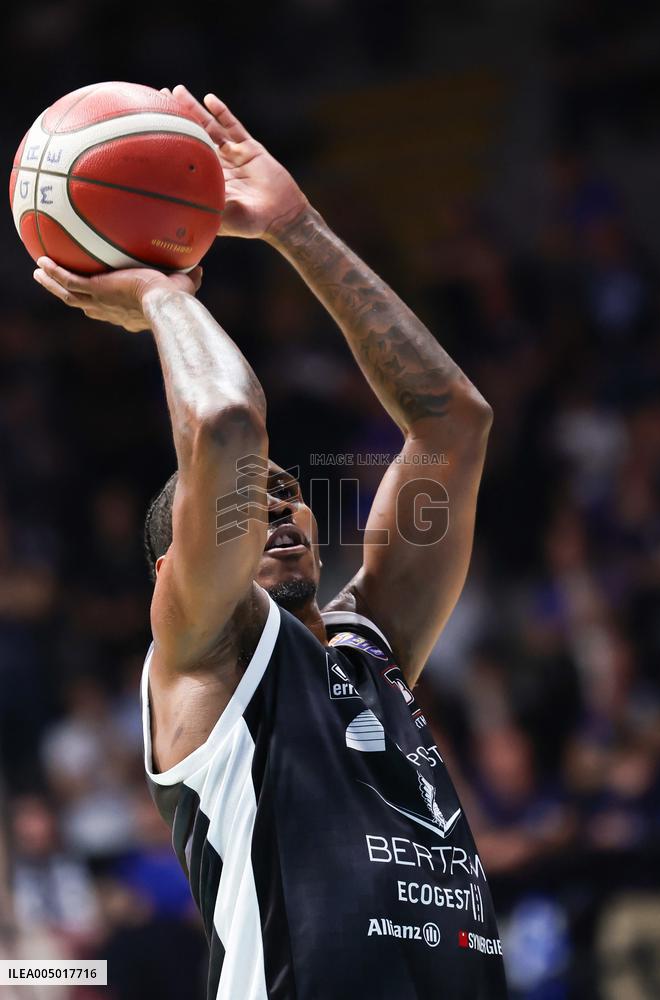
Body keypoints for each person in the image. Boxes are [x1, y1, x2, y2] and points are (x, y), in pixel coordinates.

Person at [34, 84, 507, 1000]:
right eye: (250, 506)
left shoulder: (373, 645)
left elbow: (455, 424)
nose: (279, 508)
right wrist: (157, 298)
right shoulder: (205, 656)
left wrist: (297, 227)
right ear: (179, 570)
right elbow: (222, 421)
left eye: (289, 495)